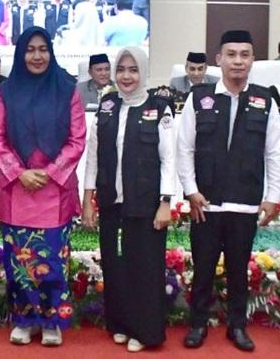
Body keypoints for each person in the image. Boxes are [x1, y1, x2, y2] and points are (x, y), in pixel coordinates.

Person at [177, 30, 280, 352]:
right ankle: (198, 324)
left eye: (244, 55)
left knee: (239, 272)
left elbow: (275, 153)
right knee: (203, 269)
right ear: (219, 59)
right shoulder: (199, 98)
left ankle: (237, 326)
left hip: (245, 203)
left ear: (252, 60)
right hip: (206, 204)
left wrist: (273, 197)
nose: (238, 61)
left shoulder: (266, 100)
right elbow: (184, 148)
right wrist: (190, 190)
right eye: (232, 54)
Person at [0, 26, 86, 346]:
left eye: (43, 49)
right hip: (16, 190)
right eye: (30, 50)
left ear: (51, 52)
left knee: (53, 260)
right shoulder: (5, 92)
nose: (37, 56)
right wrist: (20, 173)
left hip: (54, 190)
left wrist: (49, 172)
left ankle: (52, 321)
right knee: (19, 261)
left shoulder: (68, 90)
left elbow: (77, 139)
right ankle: (24, 320)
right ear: (20, 54)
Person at [82, 46, 174, 352]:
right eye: (121, 69)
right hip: (111, 201)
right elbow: (93, 157)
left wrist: (166, 202)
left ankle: (145, 331)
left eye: (133, 70)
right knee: (115, 265)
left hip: (147, 203)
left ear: (143, 72)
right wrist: (88, 199)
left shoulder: (159, 108)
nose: (126, 76)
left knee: (144, 268)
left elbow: (169, 159)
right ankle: (119, 323)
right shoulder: (107, 106)